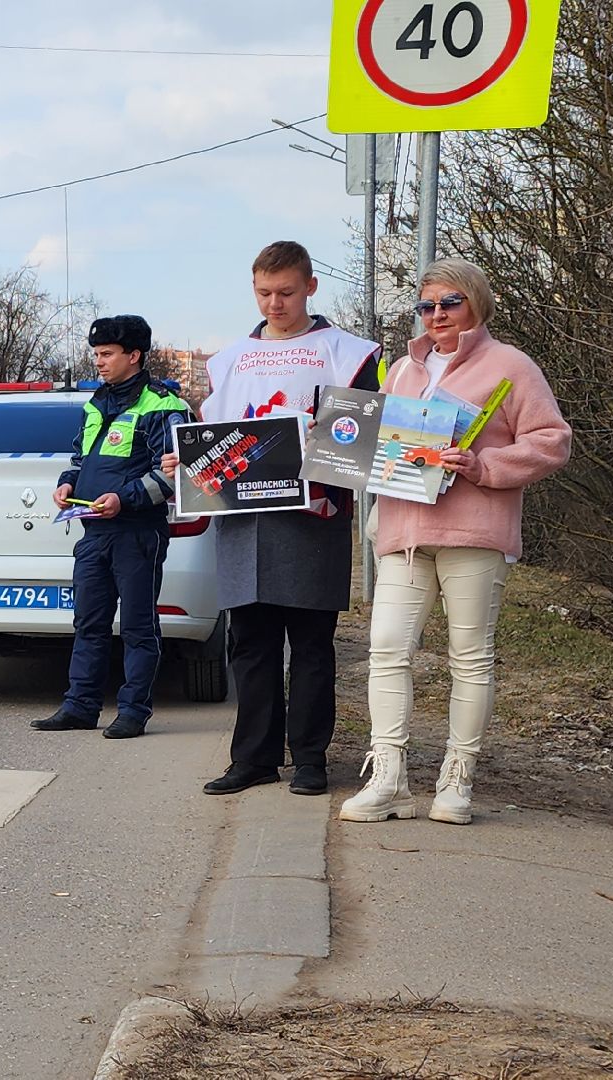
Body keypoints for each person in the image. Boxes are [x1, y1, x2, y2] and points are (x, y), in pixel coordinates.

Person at [339, 258, 570, 825]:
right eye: (427, 306)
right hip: (403, 531)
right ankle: (389, 777)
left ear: (476, 303)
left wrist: (484, 463)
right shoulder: (402, 371)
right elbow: (378, 446)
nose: (437, 315)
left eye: (449, 303)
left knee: (470, 657)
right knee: (388, 650)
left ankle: (457, 777)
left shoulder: (511, 366)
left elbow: (552, 441)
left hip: (473, 529)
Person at [170, 242, 382, 797]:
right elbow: (211, 437)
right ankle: (254, 758)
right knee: (250, 642)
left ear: (310, 287)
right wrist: (185, 461)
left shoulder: (347, 353)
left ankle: (310, 758)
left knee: (311, 643)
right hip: (242, 520)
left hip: (312, 517)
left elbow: (357, 442)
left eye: (285, 292)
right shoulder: (230, 358)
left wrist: (320, 446)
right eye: (264, 293)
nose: (274, 304)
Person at [32, 315, 191, 740]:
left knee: (138, 626)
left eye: (106, 354)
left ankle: (134, 712)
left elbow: (174, 475)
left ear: (133, 355)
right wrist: (67, 483)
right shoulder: (96, 403)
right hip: (93, 531)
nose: (98, 362)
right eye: (96, 355)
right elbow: (81, 460)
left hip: (138, 532)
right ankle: (80, 706)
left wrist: (125, 499)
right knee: (88, 623)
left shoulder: (164, 406)